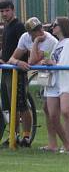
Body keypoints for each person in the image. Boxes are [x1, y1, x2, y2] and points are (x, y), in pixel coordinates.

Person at [6, 17, 58, 149]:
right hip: (46, 77)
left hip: (57, 76)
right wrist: (18, 62)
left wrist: (35, 42)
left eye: (40, 28)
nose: (40, 31)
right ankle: (51, 144)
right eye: (36, 31)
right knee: (47, 109)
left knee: (55, 110)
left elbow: (32, 61)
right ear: (29, 33)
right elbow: (12, 58)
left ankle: (62, 144)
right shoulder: (24, 37)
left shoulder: (49, 40)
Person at [41, 17, 69, 155]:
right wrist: (47, 63)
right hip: (54, 82)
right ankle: (65, 145)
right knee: (52, 115)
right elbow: (56, 62)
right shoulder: (57, 44)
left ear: (63, 26)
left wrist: (52, 64)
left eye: (55, 25)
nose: (52, 27)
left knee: (65, 111)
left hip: (66, 81)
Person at [0, 0, 33, 147]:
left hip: (18, 71)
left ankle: (26, 137)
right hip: (6, 70)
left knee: (21, 105)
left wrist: (18, 62)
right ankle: (13, 135)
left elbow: (25, 47)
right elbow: (7, 49)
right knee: (9, 106)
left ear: (13, 10)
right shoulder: (6, 27)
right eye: (2, 11)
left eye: (7, 10)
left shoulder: (19, 26)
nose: (4, 14)